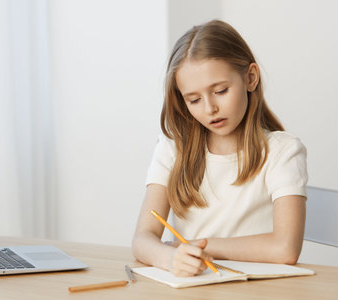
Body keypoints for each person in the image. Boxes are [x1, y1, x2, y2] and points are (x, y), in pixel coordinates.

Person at [132, 20, 308, 277]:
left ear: (250, 78)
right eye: (194, 99)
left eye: (221, 91)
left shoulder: (283, 151)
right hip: (196, 288)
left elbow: (285, 248)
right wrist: (170, 258)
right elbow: (142, 240)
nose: (209, 108)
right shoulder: (172, 148)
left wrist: (199, 247)